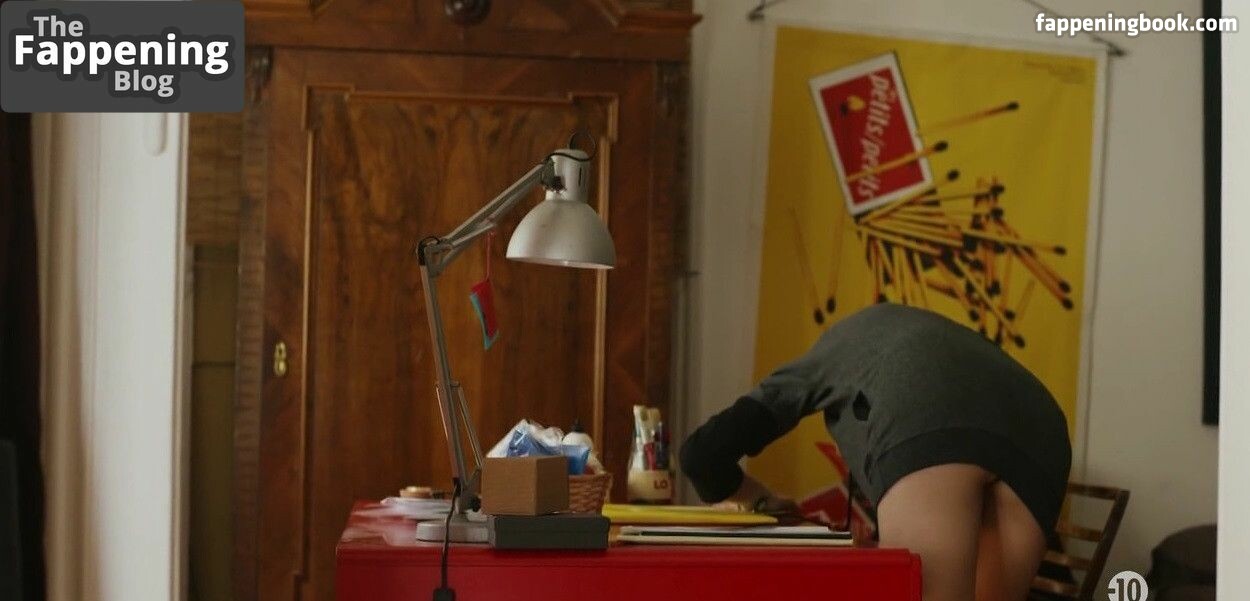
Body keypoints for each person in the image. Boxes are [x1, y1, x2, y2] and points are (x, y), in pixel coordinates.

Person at [681, 303, 1071, 601]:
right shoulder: (902, 332)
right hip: (1040, 423)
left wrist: (762, 501)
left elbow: (701, 454)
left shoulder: (824, 357)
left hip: (923, 406)